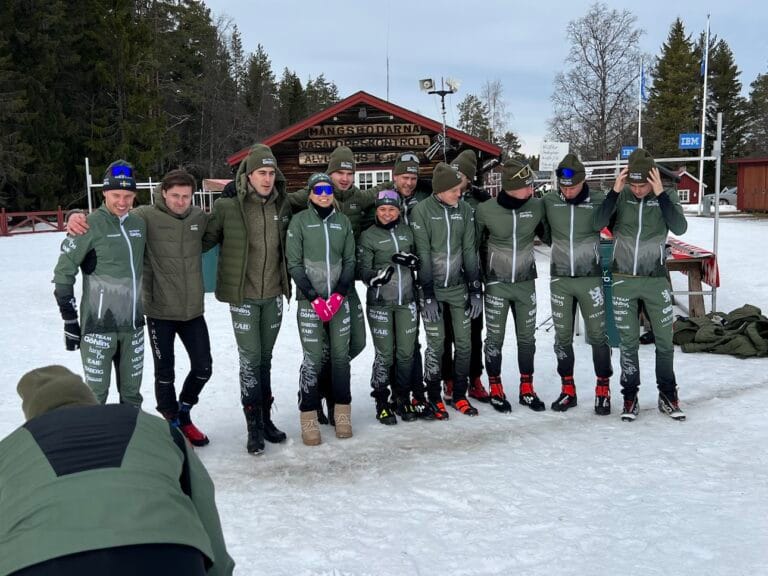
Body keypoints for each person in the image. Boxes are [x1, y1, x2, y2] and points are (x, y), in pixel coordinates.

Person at [0, 365, 234, 576]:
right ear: (88, 398)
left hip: (34, 563)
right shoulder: (155, 427)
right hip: (168, 554)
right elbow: (203, 501)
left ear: (32, 413)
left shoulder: (9, 450)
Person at [67, 169, 213, 446]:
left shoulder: (199, 218)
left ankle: (184, 412)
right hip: (159, 310)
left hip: (192, 309)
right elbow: (111, 214)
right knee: (165, 372)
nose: (180, 201)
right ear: (163, 194)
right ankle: (171, 421)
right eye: (174, 196)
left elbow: (219, 227)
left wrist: (231, 194)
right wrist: (76, 214)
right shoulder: (144, 216)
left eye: (186, 196)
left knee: (203, 367)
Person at [202, 144, 291, 455]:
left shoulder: (283, 205)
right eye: (260, 173)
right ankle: (253, 428)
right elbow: (200, 239)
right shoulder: (228, 207)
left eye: (270, 173)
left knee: (265, 360)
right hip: (244, 297)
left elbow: (321, 198)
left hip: (274, 295)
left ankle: (266, 421)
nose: (266, 179)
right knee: (250, 361)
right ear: (248, 175)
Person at [594, 149, 688, 421]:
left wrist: (659, 194)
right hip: (624, 279)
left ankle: (668, 395)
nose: (637, 190)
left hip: (656, 279)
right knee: (628, 343)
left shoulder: (666, 196)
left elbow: (679, 228)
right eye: (633, 184)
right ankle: (629, 396)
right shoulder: (621, 195)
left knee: (665, 342)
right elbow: (598, 223)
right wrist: (614, 191)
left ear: (653, 178)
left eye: (642, 184)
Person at [289, 146, 371, 424]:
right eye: (339, 172)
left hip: (344, 287)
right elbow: (280, 200)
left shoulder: (358, 200)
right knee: (319, 352)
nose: (345, 178)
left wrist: (419, 181)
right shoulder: (306, 201)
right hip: (313, 291)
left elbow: (389, 193)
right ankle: (320, 402)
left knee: (352, 344)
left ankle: (333, 392)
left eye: (350, 173)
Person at [53, 160, 146, 406]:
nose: (122, 202)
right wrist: (70, 320)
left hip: (133, 326)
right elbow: (63, 275)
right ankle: (95, 442)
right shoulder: (89, 225)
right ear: (104, 192)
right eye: (116, 195)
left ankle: (129, 442)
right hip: (98, 328)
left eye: (128, 195)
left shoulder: (139, 224)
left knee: (132, 395)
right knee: (96, 397)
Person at [286, 173, 356, 445]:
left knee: (340, 357)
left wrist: (339, 294)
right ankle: (308, 415)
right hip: (310, 301)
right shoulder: (299, 221)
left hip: (338, 301)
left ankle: (342, 413)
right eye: (319, 190)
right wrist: (313, 297)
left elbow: (350, 260)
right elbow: (294, 264)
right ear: (310, 194)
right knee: (313, 358)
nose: (325, 194)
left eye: (328, 189)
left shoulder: (343, 222)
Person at [475, 160, 549, 413]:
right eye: (526, 186)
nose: (531, 190)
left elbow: (550, 234)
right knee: (494, 339)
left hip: (526, 283)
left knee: (527, 339)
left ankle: (526, 388)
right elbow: (472, 245)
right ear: (510, 187)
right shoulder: (486, 210)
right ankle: (495, 387)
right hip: (497, 283)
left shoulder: (537, 206)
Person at [542, 153, 613, 414]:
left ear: (583, 181)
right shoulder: (549, 201)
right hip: (560, 279)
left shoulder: (598, 201)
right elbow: (541, 228)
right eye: (563, 186)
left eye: (572, 186)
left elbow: (614, 223)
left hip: (589, 278)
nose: (567, 191)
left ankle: (603, 389)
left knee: (597, 336)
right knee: (562, 338)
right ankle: (567, 390)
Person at [411, 162, 483, 418]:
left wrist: (475, 288)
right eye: (454, 190)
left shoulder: (463, 210)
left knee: (464, 344)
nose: (459, 194)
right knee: (437, 344)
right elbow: (424, 255)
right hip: (432, 288)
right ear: (441, 190)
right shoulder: (421, 211)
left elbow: (469, 250)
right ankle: (433, 394)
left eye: (459, 189)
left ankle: (459, 394)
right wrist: (427, 294)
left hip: (457, 287)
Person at [357, 189, 421, 424]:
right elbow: (362, 270)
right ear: (376, 210)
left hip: (407, 302)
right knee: (385, 354)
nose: (387, 213)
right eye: (382, 209)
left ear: (399, 211)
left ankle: (401, 398)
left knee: (406, 353)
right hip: (380, 303)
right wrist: (376, 277)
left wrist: (414, 262)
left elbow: (418, 258)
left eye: (391, 209)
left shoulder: (407, 232)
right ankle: (381, 400)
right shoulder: (368, 236)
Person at [441, 149, 491, 404]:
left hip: (473, 275)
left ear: (469, 178)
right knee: (447, 331)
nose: (456, 177)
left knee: (473, 329)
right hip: (447, 276)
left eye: (461, 174)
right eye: (454, 171)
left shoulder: (479, 202)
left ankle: (475, 377)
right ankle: (448, 378)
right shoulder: (440, 196)